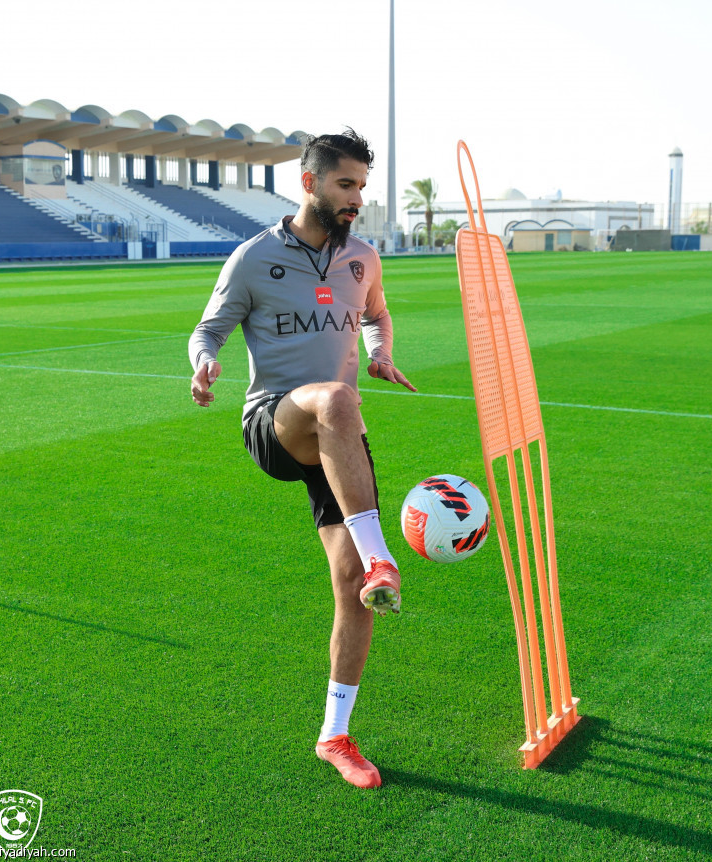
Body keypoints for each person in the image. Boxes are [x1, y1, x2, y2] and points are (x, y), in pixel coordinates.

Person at [188, 129, 415, 789]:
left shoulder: (364, 257)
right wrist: (204, 364)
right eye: (346, 185)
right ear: (309, 183)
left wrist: (381, 350)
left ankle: (335, 735)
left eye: (363, 188)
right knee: (338, 400)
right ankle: (384, 554)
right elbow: (209, 329)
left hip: (336, 436)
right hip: (276, 421)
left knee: (353, 590)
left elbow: (376, 313)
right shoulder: (254, 257)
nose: (357, 199)